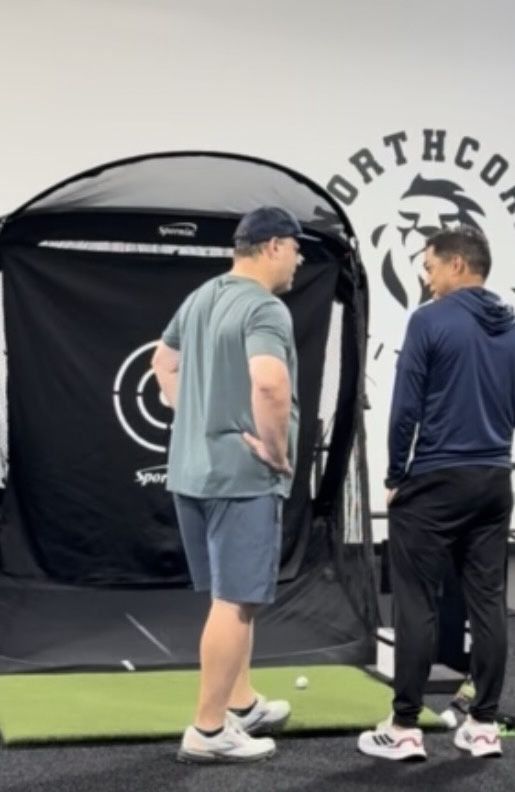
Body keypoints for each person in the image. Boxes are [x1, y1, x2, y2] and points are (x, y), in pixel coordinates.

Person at [357, 224, 515, 762]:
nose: (426, 275)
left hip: (436, 482)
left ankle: (403, 729)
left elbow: (405, 411)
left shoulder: (428, 321)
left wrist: (396, 477)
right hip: (493, 484)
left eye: (431, 265)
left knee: (416, 603)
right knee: (488, 603)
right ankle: (483, 727)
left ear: (459, 264)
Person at [150, 206, 311, 764]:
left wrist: (190, 412)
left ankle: (240, 703)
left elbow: (161, 361)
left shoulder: (201, 296)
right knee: (235, 601)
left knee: (234, 597)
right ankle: (209, 730)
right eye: (295, 246)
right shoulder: (265, 307)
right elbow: (269, 382)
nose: (300, 257)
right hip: (240, 477)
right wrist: (275, 449)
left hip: (193, 471)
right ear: (271, 246)